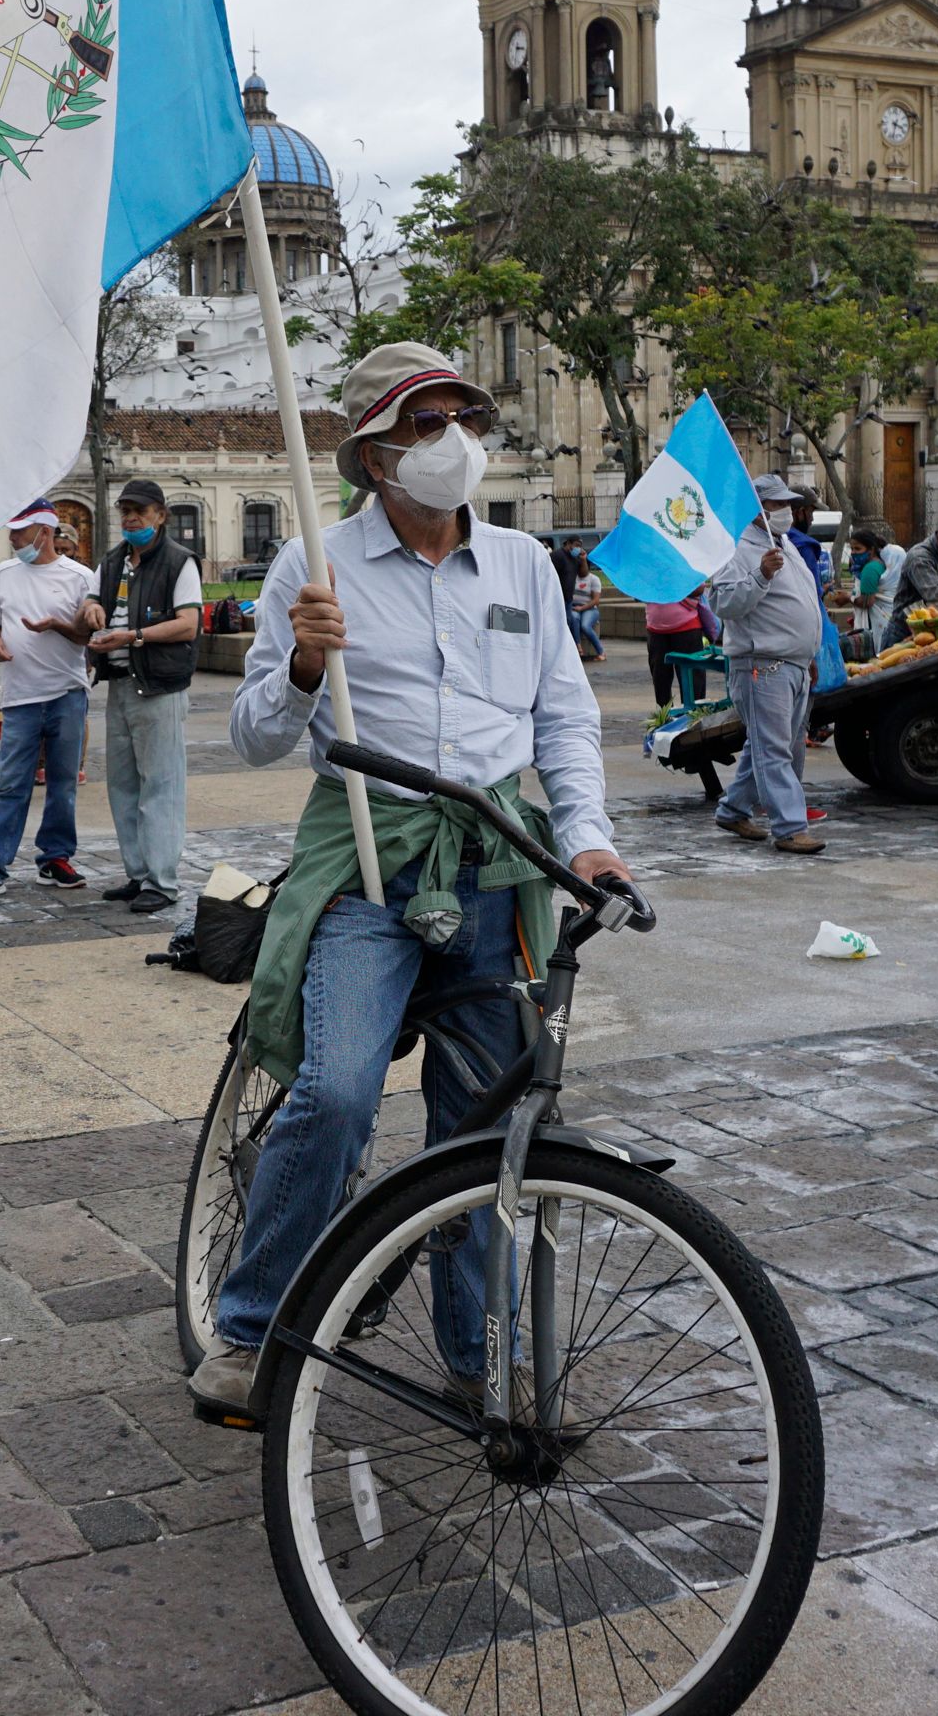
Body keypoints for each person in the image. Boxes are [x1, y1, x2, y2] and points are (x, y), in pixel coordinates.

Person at [191, 342, 629, 1418]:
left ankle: (484, 1354)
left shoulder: (526, 565)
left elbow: (562, 716)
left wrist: (588, 838)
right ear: (375, 455)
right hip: (368, 862)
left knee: (483, 1132)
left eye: (459, 419)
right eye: (425, 425)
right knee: (335, 1091)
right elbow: (252, 738)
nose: (453, 443)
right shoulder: (314, 564)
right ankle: (251, 1327)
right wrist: (299, 665)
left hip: (493, 864)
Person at [0, 502, 99, 898]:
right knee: (11, 784)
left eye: (21, 531)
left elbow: (88, 637)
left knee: (62, 782)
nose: (13, 538)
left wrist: (57, 625)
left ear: (45, 531)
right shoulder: (4, 573)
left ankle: (55, 857)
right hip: (20, 695)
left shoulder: (79, 577)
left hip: (66, 692)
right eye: (12, 531)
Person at [88, 478, 201, 916]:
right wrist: (91, 610)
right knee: (123, 784)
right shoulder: (114, 560)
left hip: (158, 686)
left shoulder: (178, 561)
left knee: (161, 785)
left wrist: (133, 636)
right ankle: (137, 873)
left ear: (160, 515)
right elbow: (91, 603)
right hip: (118, 682)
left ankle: (162, 880)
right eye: (125, 511)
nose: (131, 517)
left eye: (140, 510)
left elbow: (188, 624)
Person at [708, 474, 827, 855]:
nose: (786, 511)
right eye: (777, 505)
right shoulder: (736, 549)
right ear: (757, 509)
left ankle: (733, 809)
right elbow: (723, 603)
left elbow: (803, 601)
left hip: (791, 663)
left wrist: (808, 655)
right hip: (762, 664)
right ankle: (790, 827)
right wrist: (761, 574)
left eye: (787, 504)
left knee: (772, 746)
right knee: (775, 751)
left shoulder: (785, 543)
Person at [643, 586, 714, 709]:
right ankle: (666, 720)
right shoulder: (648, 566)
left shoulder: (688, 565)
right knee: (660, 682)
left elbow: (699, 588)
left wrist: (670, 583)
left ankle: (693, 719)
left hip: (686, 627)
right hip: (656, 629)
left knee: (692, 684)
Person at [846, 523, 904, 648]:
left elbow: (868, 602)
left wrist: (847, 598)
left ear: (871, 549)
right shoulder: (879, 564)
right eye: (852, 549)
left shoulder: (869, 569)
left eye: (858, 549)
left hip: (877, 624)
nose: (853, 553)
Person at [567, 563, 605, 661]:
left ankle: (601, 651)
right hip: (574, 607)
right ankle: (578, 646)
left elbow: (596, 600)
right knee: (574, 619)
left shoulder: (594, 579)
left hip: (590, 608)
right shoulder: (572, 578)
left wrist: (582, 608)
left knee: (585, 626)